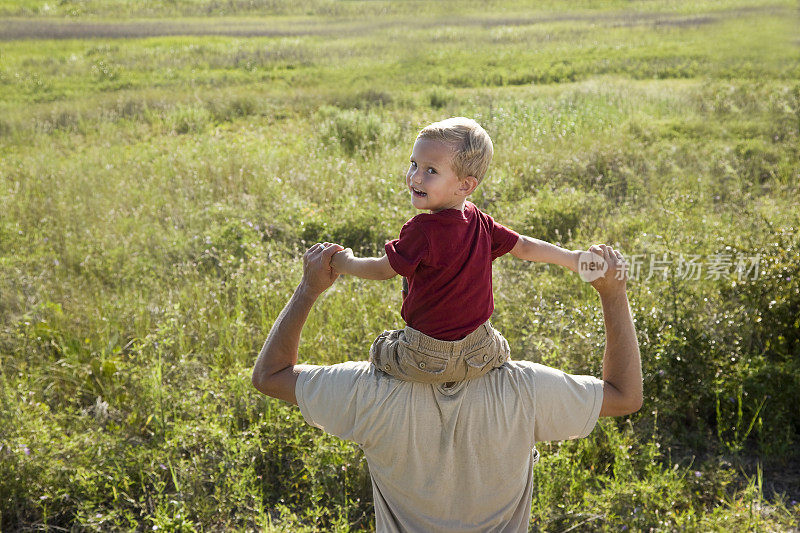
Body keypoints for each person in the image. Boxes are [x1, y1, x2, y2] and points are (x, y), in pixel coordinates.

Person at [252, 241, 642, 532]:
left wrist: (309, 289)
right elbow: (624, 395)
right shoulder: (525, 391)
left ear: (407, 299)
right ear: (482, 302)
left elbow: (270, 376)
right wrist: (613, 294)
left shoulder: (367, 390)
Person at [330, 117, 583, 384]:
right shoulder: (480, 221)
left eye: (431, 171)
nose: (415, 176)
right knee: (494, 341)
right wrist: (572, 258)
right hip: (482, 351)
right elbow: (523, 246)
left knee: (384, 346)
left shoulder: (422, 230)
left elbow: (382, 269)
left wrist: (344, 262)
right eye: (414, 164)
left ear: (465, 185)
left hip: (426, 357)